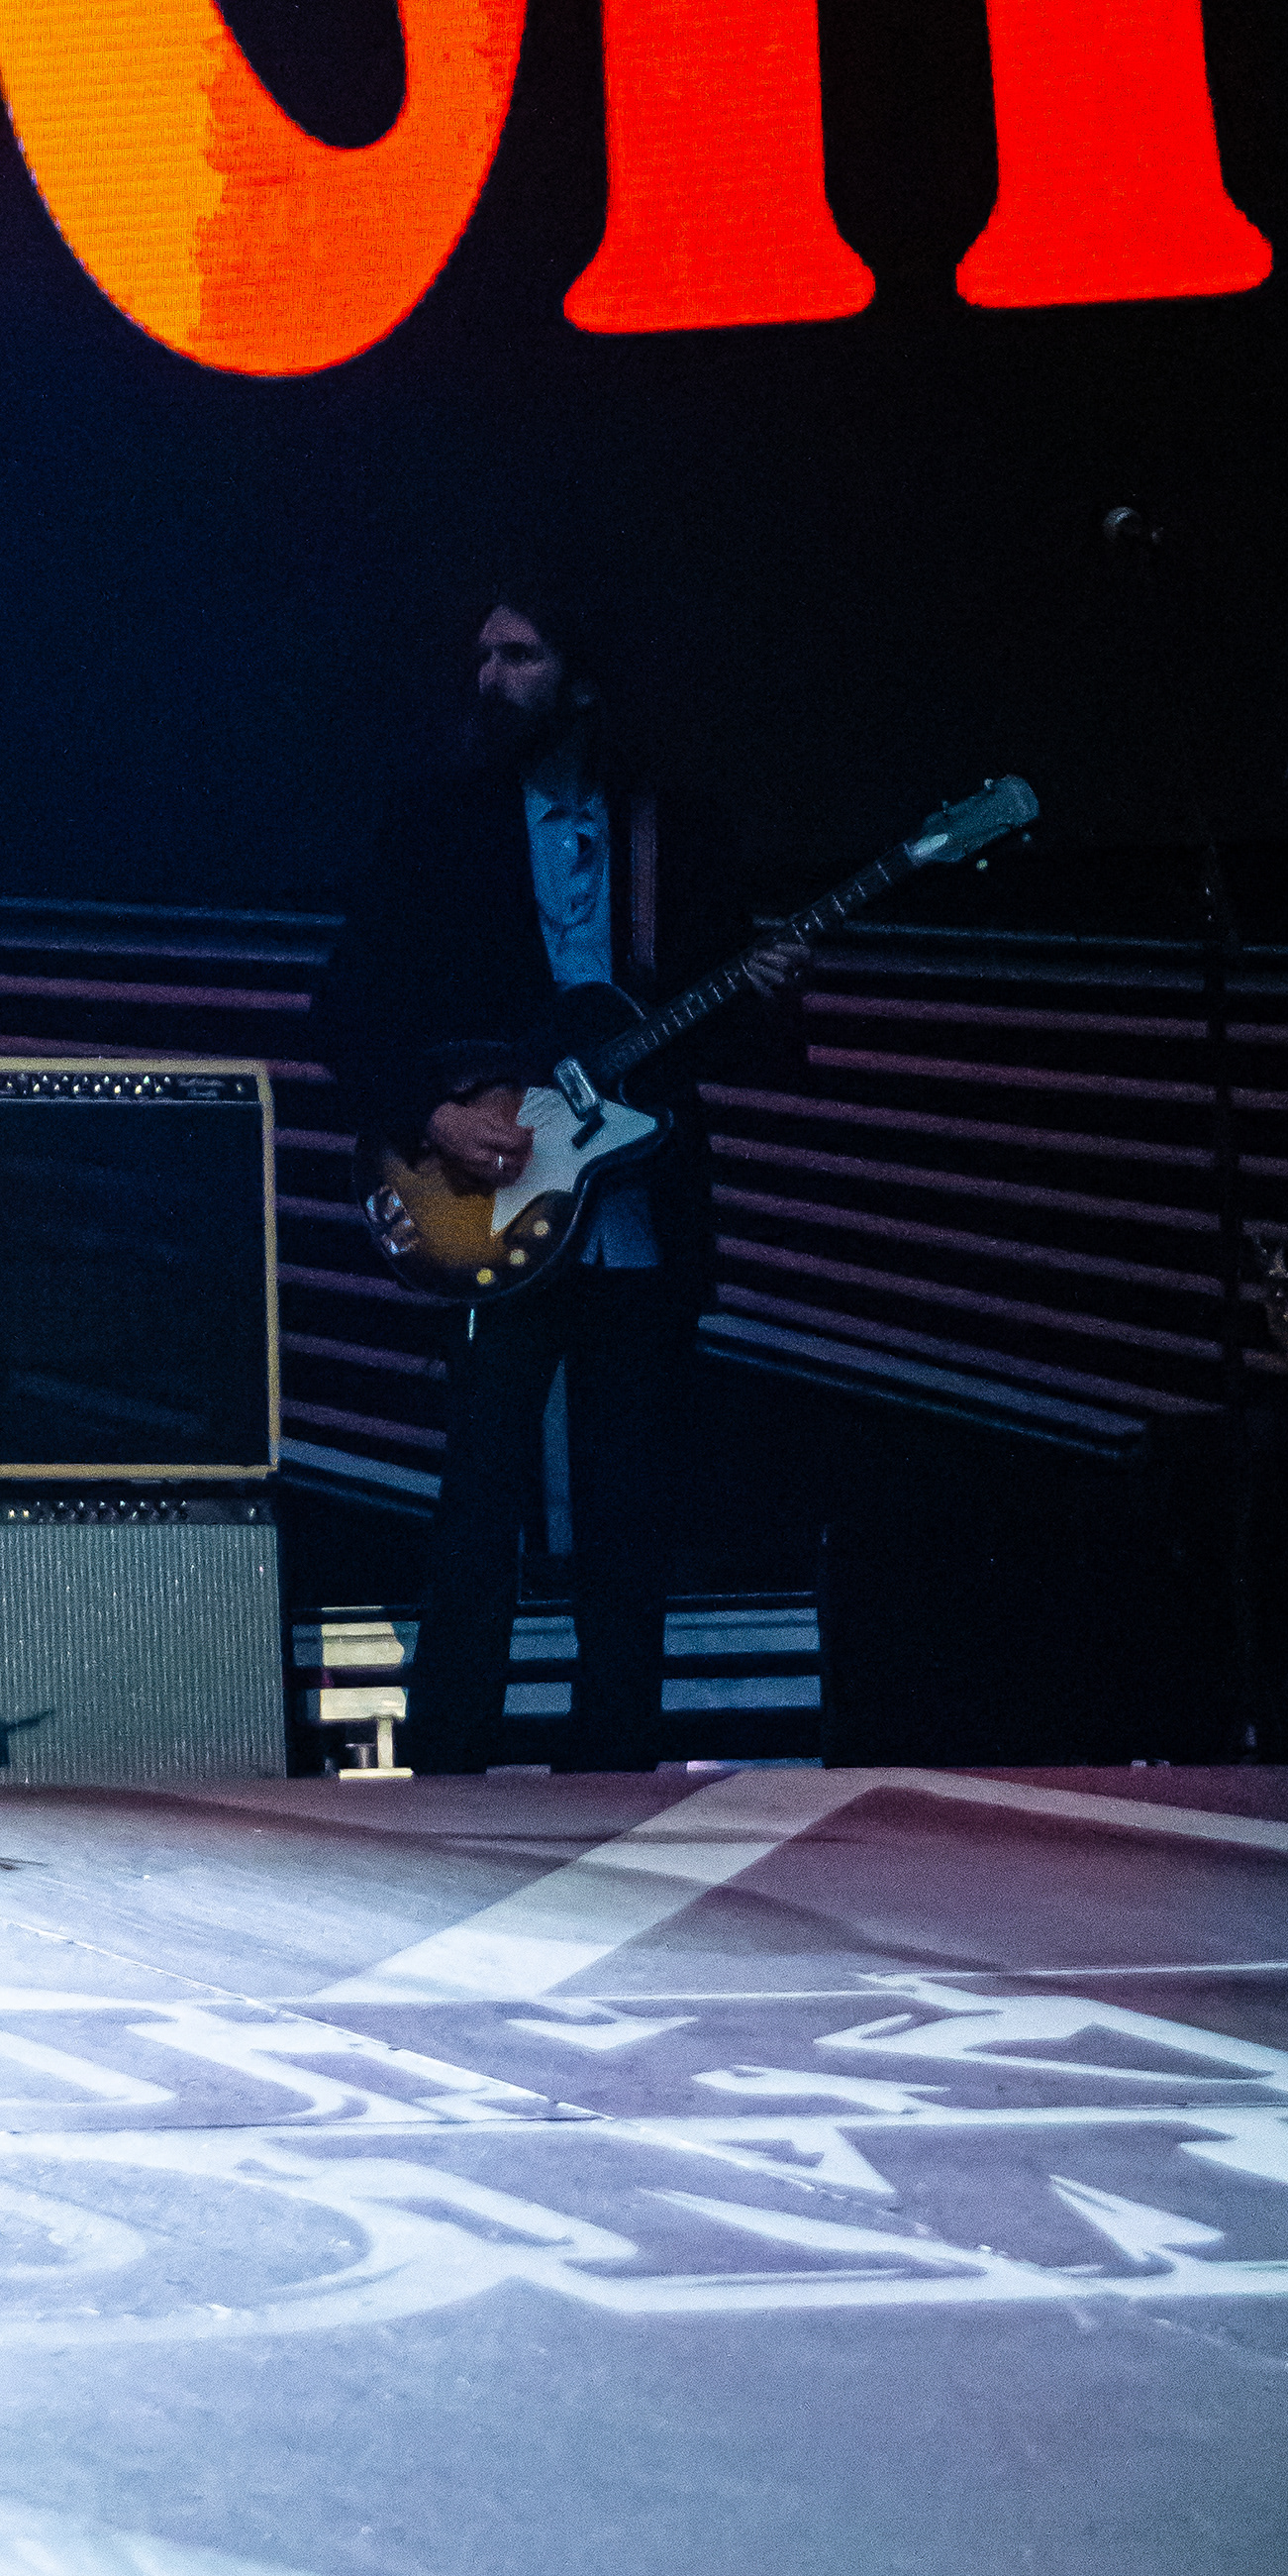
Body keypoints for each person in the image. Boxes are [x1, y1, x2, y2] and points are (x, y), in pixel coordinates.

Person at [316, 581, 798, 1778]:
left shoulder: (673, 832)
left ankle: (614, 1764)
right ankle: (445, 1759)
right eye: (482, 655)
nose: (489, 678)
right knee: (481, 1493)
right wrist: (435, 1114)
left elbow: (713, 1046)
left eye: (519, 656)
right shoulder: (434, 827)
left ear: (583, 682)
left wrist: (767, 990)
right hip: (488, 1198)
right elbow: (345, 1008)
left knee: (632, 1505)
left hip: (634, 1211)